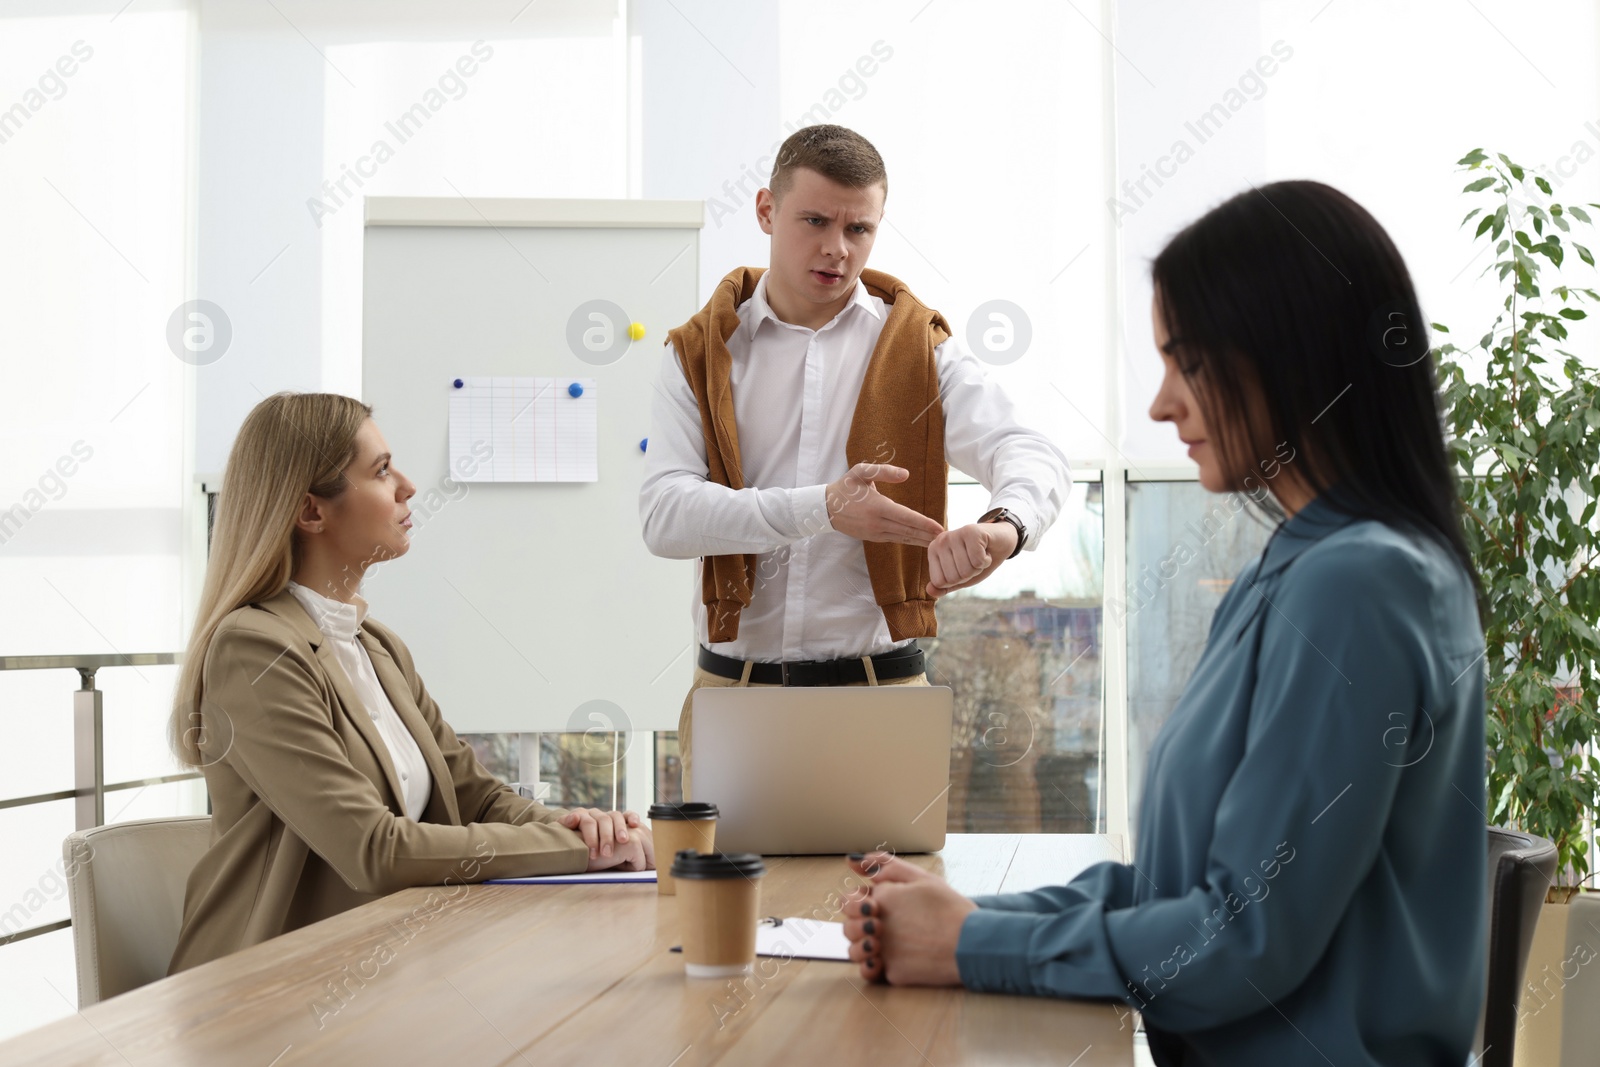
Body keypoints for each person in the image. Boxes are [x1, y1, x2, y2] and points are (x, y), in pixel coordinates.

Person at [839, 181, 1488, 1066]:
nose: (1160, 405)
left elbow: (1245, 938)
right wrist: (971, 916)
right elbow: (1177, 887)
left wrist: (967, 945)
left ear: (1291, 355)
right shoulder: (1300, 566)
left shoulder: (1356, 586)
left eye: (1188, 362)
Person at [640, 124, 1072, 796]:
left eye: (858, 229)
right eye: (814, 220)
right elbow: (665, 515)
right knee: (721, 903)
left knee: (886, 901)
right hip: (733, 696)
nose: (837, 249)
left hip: (883, 693)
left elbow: (1030, 451)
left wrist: (1004, 526)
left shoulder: (918, 349)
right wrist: (824, 508)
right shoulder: (697, 353)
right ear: (765, 210)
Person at [167, 393, 652, 974]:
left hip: (390, 957)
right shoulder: (255, 648)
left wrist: (591, 829)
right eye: (380, 471)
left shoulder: (376, 646)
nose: (408, 486)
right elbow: (375, 850)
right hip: (273, 984)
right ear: (311, 512)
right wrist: (578, 852)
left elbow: (478, 796)